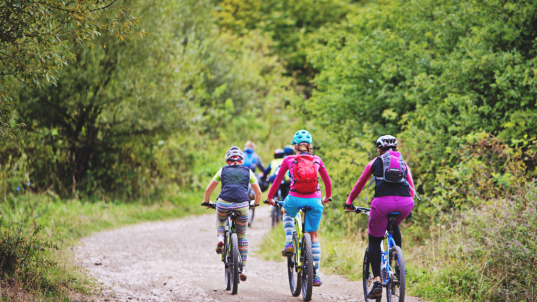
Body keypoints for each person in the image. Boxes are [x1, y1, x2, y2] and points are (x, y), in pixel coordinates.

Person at [344, 135, 416, 300]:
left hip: (382, 204)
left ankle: (376, 280)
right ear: (396, 148)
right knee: (394, 225)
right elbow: (411, 188)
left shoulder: (374, 163)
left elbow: (359, 185)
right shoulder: (404, 164)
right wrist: (406, 203)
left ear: (379, 148)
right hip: (405, 204)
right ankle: (398, 265)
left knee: (374, 240)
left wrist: (349, 202)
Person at [266, 130, 332, 287]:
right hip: (315, 200)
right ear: (309, 145)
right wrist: (327, 197)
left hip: (294, 198)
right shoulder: (317, 159)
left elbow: (277, 181)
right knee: (314, 235)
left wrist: (269, 198)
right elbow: (327, 182)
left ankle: (289, 241)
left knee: (286, 212)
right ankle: (315, 273)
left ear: (295, 146)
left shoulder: (289, 159)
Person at [203, 146, 262, 281]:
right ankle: (245, 268)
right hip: (242, 205)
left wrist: (207, 202)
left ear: (227, 160)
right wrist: (255, 204)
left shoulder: (222, 170)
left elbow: (208, 190)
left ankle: (220, 238)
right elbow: (258, 192)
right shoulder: (248, 171)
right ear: (241, 160)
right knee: (242, 235)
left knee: (220, 218)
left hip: (223, 203)